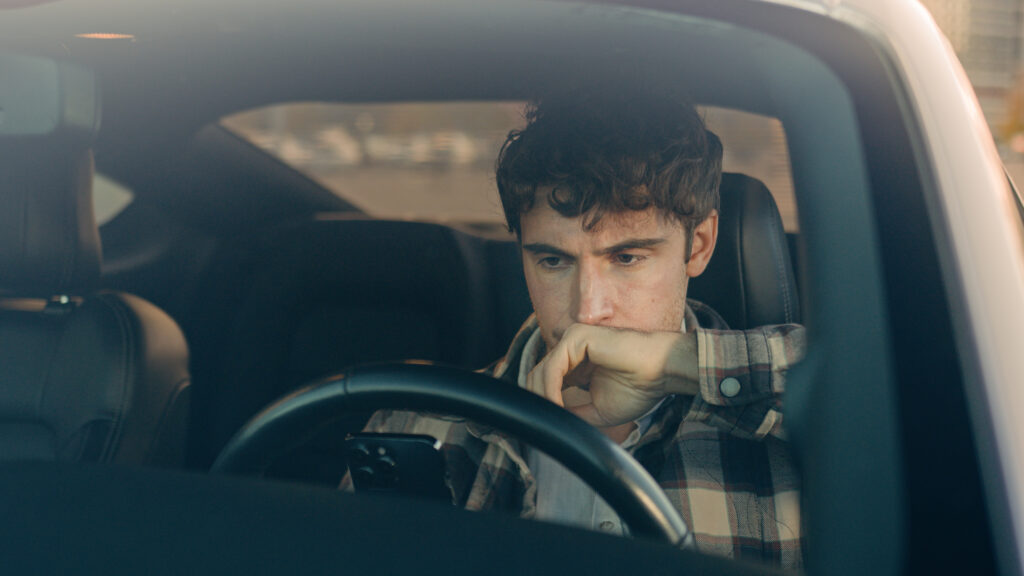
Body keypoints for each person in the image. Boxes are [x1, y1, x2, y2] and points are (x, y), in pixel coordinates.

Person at [342, 86, 806, 569]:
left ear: (700, 245)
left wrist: (677, 364)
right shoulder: (415, 429)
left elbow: (880, 382)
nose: (588, 313)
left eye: (627, 258)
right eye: (552, 260)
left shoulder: (796, 434)